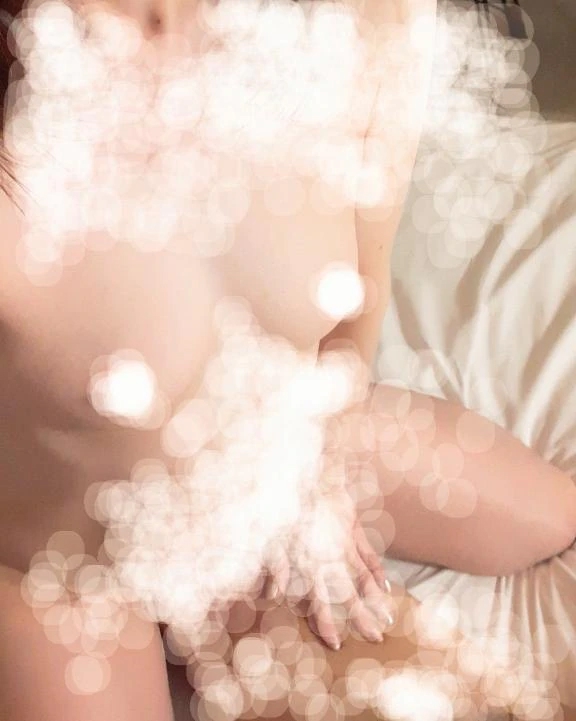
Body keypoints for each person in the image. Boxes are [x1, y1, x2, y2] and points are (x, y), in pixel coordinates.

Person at [0, 1, 575, 720]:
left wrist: (321, 465)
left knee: (555, 521)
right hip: (65, 561)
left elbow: (362, 291)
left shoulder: (360, 17)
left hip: (278, 447)